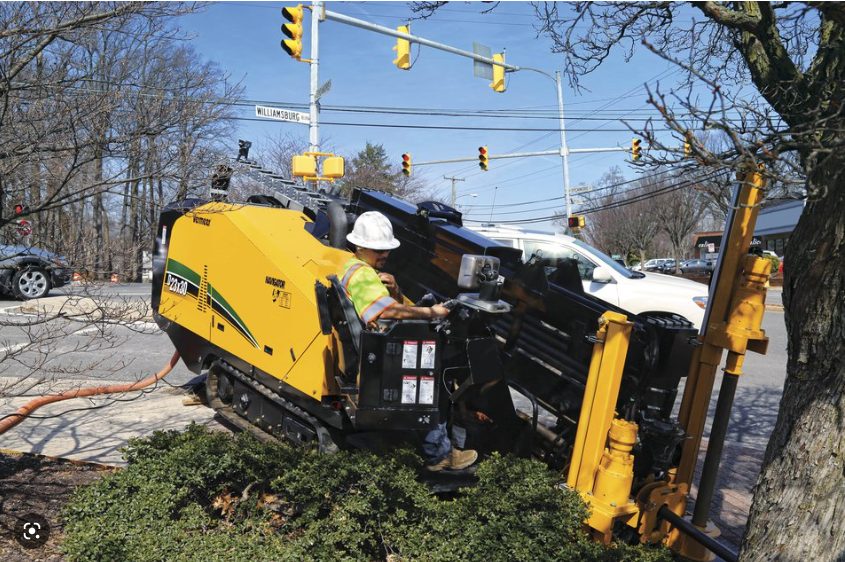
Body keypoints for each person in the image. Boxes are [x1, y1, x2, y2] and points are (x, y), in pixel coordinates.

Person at [340, 211, 478, 472]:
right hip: (376, 355)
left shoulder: (357, 268)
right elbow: (384, 312)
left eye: (386, 250)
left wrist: (396, 292)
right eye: (378, 249)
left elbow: (389, 304)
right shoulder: (362, 275)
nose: (384, 255)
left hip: (374, 347)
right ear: (360, 246)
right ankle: (439, 455)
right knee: (429, 383)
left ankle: (436, 448)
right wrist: (431, 313)